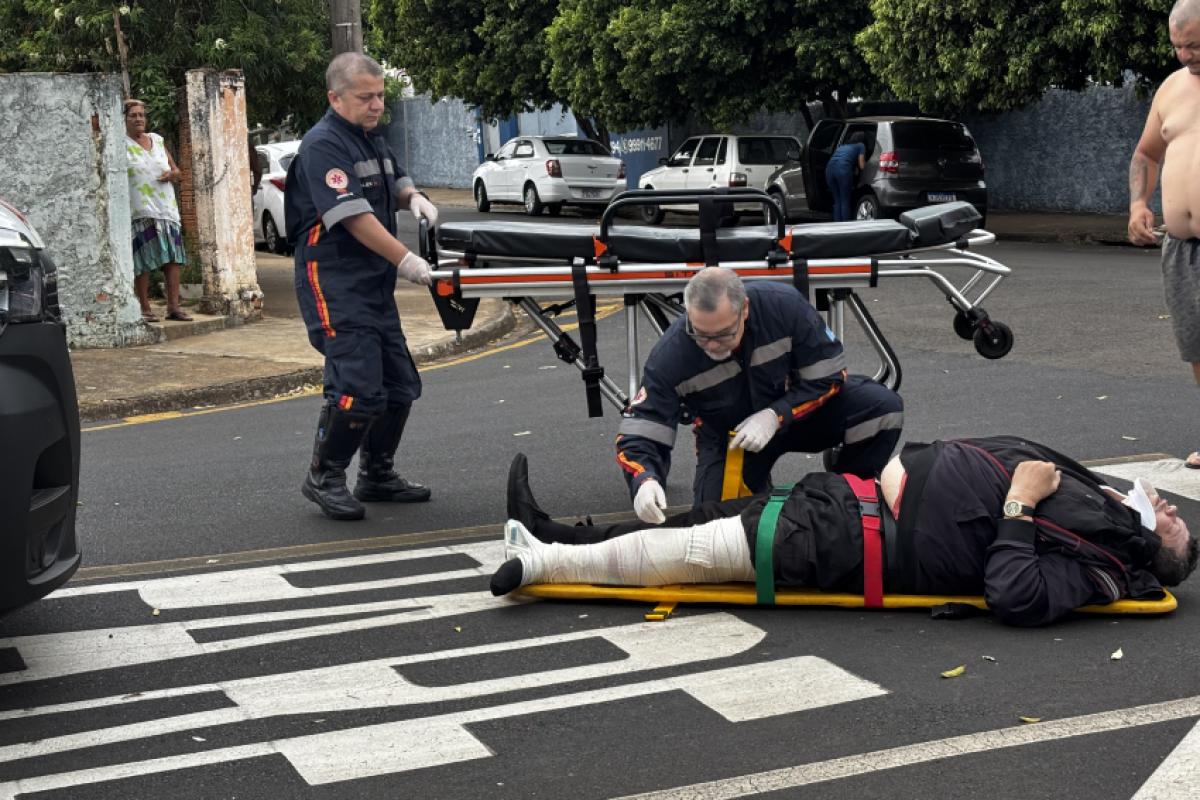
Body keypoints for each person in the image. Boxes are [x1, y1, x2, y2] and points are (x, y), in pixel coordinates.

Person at [496, 438, 1199, 627]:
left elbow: (1015, 591)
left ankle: (540, 564)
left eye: (1175, 525)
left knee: (699, 551)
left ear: (1158, 556)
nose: (1170, 510)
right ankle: (555, 533)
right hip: (854, 505)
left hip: (851, 540)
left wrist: (1019, 503)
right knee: (702, 522)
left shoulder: (1105, 570)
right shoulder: (1105, 518)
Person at [284, 52, 441, 521]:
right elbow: (353, 217)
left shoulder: (368, 139)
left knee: (399, 386)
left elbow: (394, 175)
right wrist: (406, 258)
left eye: (380, 96)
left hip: (372, 284)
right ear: (335, 97)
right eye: (365, 97)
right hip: (334, 283)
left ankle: (377, 473)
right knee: (356, 388)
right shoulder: (323, 145)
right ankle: (325, 474)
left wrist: (414, 197)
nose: (376, 106)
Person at [616, 267, 903, 522]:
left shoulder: (784, 308)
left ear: (744, 310)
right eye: (701, 335)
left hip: (799, 415)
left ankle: (847, 498)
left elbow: (828, 377)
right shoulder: (671, 357)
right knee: (717, 525)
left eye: (725, 334)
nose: (712, 345)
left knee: (882, 410)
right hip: (732, 438)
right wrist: (645, 480)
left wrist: (775, 415)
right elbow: (643, 430)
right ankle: (756, 493)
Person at [1128, 0, 1200, 469]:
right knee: (1197, 348)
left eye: (1193, 45)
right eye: (1177, 46)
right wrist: (1138, 203)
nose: (1184, 56)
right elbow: (1146, 155)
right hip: (1182, 249)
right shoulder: (1172, 89)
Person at [123, 99, 193, 323]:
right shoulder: (121, 144)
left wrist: (173, 175)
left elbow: (177, 170)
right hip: (140, 211)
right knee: (143, 260)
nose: (138, 119)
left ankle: (174, 307)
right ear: (124, 119)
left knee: (173, 259)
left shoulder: (157, 140)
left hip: (166, 209)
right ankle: (145, 307)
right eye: (133, 115)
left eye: (141, 115)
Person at [825, 131, 868, 222]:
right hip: (842, 170)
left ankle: (837, 225)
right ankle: (846, 226)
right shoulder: (861, 146)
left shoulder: (842, 146)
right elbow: (862, 166)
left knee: (837, 200)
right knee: (845, 200)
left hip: (829, 169)